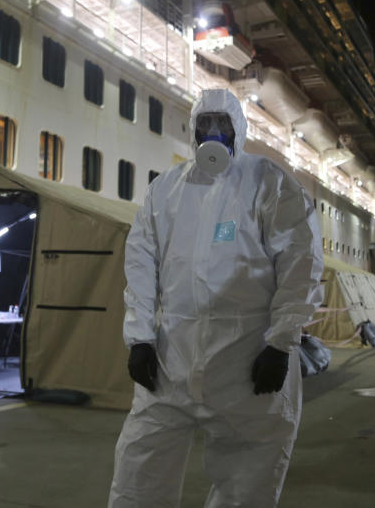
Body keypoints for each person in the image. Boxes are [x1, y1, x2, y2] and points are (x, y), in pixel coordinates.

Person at [108, 88, 323, 508]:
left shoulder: (270, 183)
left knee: (247, 484)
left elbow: (300, 265)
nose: (212, 133)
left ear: (238, 130)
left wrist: (280, 344)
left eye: (221, 126)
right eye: (204, 124)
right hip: (172, 359)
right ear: (192, 130)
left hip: (246, 360)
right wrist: (139, 338)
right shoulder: (164, 191)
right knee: (139, 475)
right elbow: (140, 263)